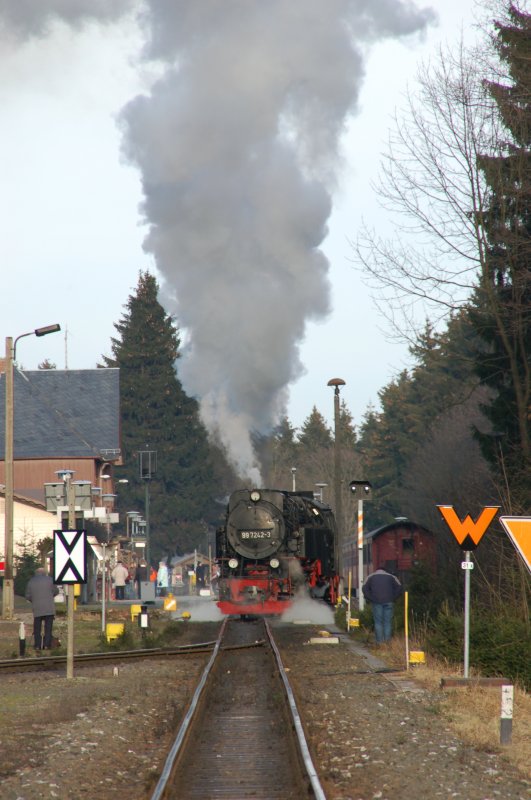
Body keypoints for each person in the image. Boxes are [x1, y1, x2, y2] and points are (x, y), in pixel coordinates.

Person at [362, 567, 403, 644]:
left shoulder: (370, 577)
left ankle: (379, 642)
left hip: (376, 602)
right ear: (385, 571)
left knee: (378, 622)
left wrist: (371, 598)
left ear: (376, 570)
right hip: (389, 601)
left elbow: (364, 589)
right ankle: (387, 642)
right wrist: (393, 597)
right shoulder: (392, 577)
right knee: (387, 622)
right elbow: (399, 587)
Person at [25, 567, 59, 650]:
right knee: (48, 628)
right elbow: (56, 591)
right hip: (49, 608)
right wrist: (50, 596)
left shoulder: (31, 581)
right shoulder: (50, 580)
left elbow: (28, 596)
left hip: (37, 608)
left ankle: (37, 645)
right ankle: (47, 645)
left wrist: (34, 600)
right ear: (45, 573)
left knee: (37, 628)